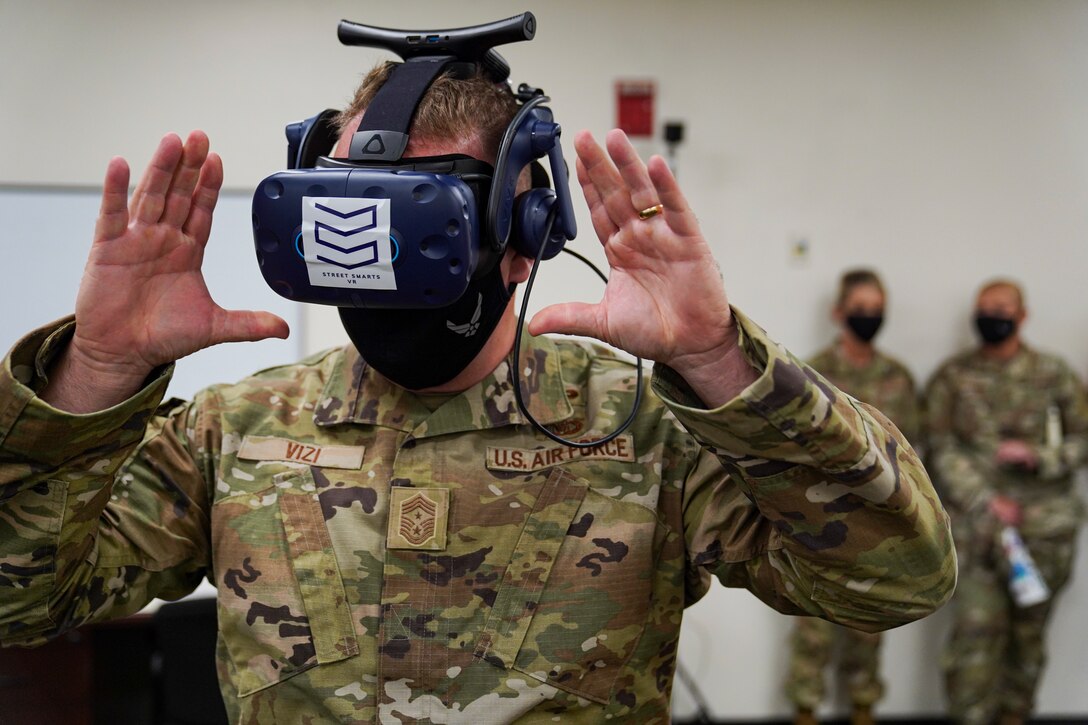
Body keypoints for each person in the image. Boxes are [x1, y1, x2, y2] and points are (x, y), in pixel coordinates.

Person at [0, 62, 956, 724]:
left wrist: (718, 361)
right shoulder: (237, 430)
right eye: (359, 219)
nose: (386, 262)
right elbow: (17, 603)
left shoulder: (642, 430)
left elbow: (899, 576)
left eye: (428, 221)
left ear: (523, 225)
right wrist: (94, 374)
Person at [926, 279, 1087, 725]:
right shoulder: (953, 376)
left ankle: (1015, 716)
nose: (990, 316)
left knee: (1028, 640)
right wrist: (983, 497)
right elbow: (938, 446)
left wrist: (1039, 456)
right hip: (978, 532)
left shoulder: (1053, 373)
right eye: (983, 308)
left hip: (1044, 533)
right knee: (973, 640)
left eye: (1000, 308)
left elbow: (1083, 441)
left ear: (1022, 316)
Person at [785, 269, 920, 725]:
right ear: (838, 312)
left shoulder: (898, 378)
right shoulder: (810, 373)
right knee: (813, 628)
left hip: (881, 524)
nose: (869, 316)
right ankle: (805, 710)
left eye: (876, 308)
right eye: (860, 308)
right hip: (821, 521)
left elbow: (912, 456)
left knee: (871, 629)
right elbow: (791, 445)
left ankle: (864, 709)